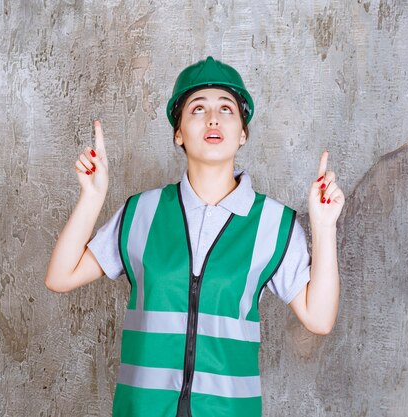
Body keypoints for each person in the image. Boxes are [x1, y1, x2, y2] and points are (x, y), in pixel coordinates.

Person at [44, 56, 344, 417]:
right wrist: (92, 198)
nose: (213, 118)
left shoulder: (273, 223)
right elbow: (60, 277)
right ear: (178, 132)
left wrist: (324, 228)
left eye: (226, 109)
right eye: (198, 109)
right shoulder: (143, 212)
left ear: (243, 132)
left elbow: (320, 318)